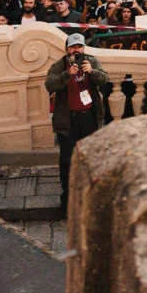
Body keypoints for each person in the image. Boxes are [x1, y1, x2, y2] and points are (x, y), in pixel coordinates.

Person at [45, 33, 110, 202]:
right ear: (66, 49)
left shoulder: (92, 61)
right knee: (67, 159)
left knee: (91, 158)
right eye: (73, 47)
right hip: (67, 119)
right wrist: (67, 74)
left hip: (89, 117)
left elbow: (104, 80)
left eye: (79, 46)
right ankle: (68, 197)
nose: (76, 50)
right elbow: (49, 85)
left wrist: (92, 72)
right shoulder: (59, 66)